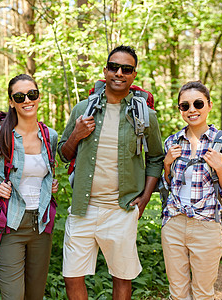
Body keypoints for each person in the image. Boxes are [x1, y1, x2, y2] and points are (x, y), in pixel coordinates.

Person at [58, 45, 164, 299]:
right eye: (114, 67)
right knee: (72, 275)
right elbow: (63, 153)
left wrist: (146, 197)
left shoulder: (145, 115)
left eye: (126, 69)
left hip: (122, 209)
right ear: (105, 70)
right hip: (83, 208)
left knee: (122, 276)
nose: (119, 73)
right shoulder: (83, 109)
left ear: (133, 75)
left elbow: (156, 158)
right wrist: (76, 135)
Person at [0, 74, 59, 299]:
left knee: (35, 296)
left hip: (41, 225)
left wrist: (51, 184)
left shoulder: (49, 135)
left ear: (39, 96)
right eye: (19, 96)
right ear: (11, 101)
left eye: (31, 94)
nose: (27, 100)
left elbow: (48, 171)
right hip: (11, 225)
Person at [161, 81, 222, 299]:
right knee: (177, 293)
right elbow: (168, 185)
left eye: (198, 103)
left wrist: (220, 168)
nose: (191, 110)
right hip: (174, 224)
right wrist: (167, 164)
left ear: (209, 105)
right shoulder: (172, 141)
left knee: (203, 293)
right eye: (184, 106)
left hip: (207, 225)